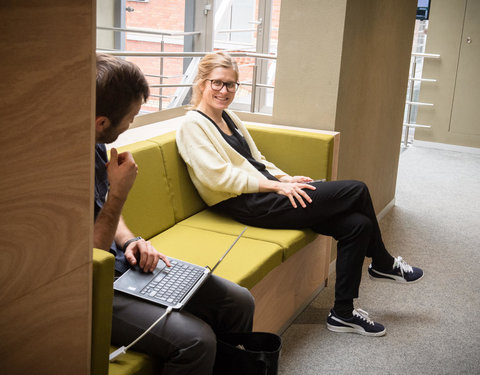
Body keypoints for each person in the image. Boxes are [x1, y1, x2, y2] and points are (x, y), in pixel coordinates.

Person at [176, 52, 423, 337]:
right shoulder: (192, 125)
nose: (225, 91)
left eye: (231, 85)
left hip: (266, 192)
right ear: (201, 83)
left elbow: (257, 160)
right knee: (357, 190)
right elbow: (216, 177)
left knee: (358, 226)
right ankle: (382, 262)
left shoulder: (228, 117)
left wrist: (284, 178)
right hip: (246, 203)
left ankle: (342, 313)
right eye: (217, 83)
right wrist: (276, 187)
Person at [94, 53, 254, 374]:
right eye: (132, 117)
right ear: (102, 121)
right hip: (93, 287)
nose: (131, 125)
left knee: (238, 301)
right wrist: (120, 195)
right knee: (197, 341)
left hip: (125, 264)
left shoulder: (95, 144)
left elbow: (102, 211)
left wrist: (130, 241)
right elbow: (90, 258)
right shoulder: (56, 171)